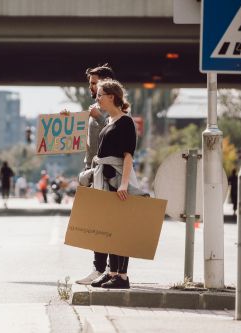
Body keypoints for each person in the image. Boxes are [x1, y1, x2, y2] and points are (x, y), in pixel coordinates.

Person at [86, 79, 142, 289]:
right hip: (105, 178)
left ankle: (122, 276)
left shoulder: (125, 122)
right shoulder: (109, 121)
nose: (97, 98)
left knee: (121, 228)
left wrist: (124, 184)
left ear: (112, 96)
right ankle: (112, 272)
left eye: (100, 94)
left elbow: (128, 157)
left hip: (117, 179)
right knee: (109, 227)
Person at [74, 64, 116, 286]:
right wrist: (68, 120)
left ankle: (105, 269)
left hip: (105, 173)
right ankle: (101, 268)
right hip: (91, 170)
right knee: (95, 222)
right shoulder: (95, 107)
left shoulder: (114, 109)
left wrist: (99, 117)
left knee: (104, 223)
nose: (90, 87)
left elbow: (115, 133)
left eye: (94, 83)